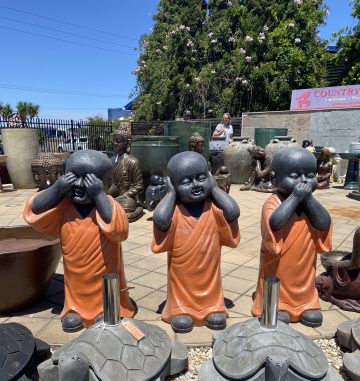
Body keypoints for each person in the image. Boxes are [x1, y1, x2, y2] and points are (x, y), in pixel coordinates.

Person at [24, 150, 135, 332]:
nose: (79, 185)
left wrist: (99, 195)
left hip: (105, 266)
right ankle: (74, 310)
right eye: (73, 177)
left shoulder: (107, 204)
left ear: (106, 183)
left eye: (89, 180)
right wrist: (57, 189)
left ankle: (107, 309)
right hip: (75, 270)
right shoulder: (64, 207)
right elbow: (35, 209)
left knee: (106, 286)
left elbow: (119, 230)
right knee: (76, 285)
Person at [151, 151, 240, 333]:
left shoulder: (213, 210)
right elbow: (159, 220)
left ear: (209, 175)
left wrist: (214, 188)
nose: (195, 185)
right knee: (181, 291)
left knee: (214, 306)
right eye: (185, 181)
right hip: (182, 277)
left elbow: (233, 212)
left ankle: (213, 307)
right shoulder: (175, 211)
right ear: (173, 184)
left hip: (209, 274)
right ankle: (179, 309)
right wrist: (170, 194)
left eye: (201, 178)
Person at [251, 146, 332, 327]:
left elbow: (324, 222)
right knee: (276, 282)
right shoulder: (272, 203)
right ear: (274, 179)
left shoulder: (310, 204)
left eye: (310, 176)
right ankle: (275, 304)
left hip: (304, 263)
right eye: (294, 177)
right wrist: (295, 198)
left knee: (304, 280)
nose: (303, 182)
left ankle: (306, 305)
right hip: (278, 264)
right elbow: (275, 222)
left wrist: (308, 199)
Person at [107, 124, 144, 222]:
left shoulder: (133, 161)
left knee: (127, 206)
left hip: (126, 197)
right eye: (114, 140)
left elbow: (139, 185)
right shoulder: (110, 161)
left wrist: (126, 195)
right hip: (113, 195)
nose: (115, 143)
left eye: (118, 141)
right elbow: (108, 182)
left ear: (126, 143)